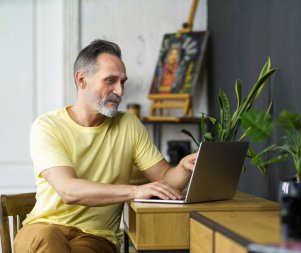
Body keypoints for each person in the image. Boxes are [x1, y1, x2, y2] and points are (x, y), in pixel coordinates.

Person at [14, 39, 197, 253]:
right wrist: (135, 191)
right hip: (43, 228)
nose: (119, 91)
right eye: (110, 81)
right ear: (82, 80)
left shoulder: (129, 125)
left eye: (122, 82)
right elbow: (69, 190)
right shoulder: (48, 126)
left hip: (96, 236)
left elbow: (166, 181)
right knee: (46, 240)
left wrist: (183, 167)